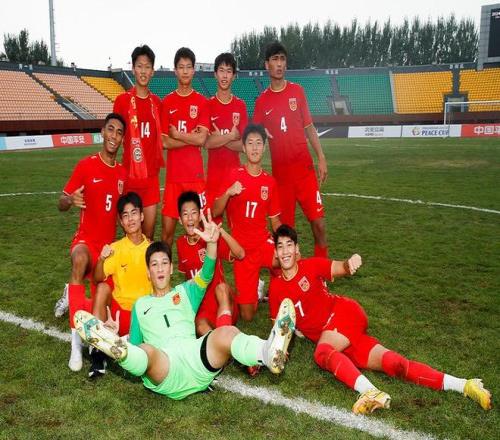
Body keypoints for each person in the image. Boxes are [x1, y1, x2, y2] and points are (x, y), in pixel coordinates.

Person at [269, 224, 492, 414]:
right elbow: (279, 328)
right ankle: (465, 385)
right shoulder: (276, 288)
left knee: (322, 352)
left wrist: (350, 263)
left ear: (297, 249)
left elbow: (340, 267)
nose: (285, 251)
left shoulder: (311, 266)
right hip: (340, 338)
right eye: (280, 246)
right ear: (276, 253)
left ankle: (369, 392)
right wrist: (279, 349)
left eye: (289, 245)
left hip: (343, 315)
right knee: (396, 365)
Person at [73, 212, 296, 400]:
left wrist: (211, 243)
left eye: (164, 263)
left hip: (198, 363)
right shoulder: (141, 306)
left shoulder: (186, 292)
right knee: (145, 351)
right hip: (166, 370)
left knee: (226, 332)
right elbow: (137, 344)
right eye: (154, 265)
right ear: (148, 272)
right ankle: (116, 347)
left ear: (171, 268)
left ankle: (268, 352)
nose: (160, 268)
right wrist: (119, 337)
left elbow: (207, 272)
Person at [57, 113, 127, 372]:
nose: (114, 136)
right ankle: (75, 342)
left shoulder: (122, 174)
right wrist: (69, 200)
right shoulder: (86, 165)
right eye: (111, 129)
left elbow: (122, 214)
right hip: (86, 240)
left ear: (122, 139)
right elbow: (61, 202)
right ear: (102, 132)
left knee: (106, 297)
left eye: (119, 132)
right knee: (79, 260)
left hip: (107, 247)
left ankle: (72, 296)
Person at [253, 42, 328, 258]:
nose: (279, 64)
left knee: (319, 225)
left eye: (282, 59)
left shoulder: (297, 91)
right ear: (267, 65)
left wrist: (321, 157)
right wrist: (261, 133)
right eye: (274, 59)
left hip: (304, 172)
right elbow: (252, 140)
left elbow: (309, 127)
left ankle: (320, 273)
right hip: (282, 179)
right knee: (285, 235)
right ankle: (287, 275)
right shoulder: (262, 101)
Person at [212, 124, 280, 322]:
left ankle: (280, 292)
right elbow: (216, 211)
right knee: (247, 316)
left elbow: (275, 221)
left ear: (264, 147)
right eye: (250, 143)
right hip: (241, 249)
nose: (254, 147)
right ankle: (257, 289)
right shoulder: (234, 175)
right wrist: (228, 192)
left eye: (259, 143)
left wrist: (287, 243)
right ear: (243, 147)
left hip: (263, 243)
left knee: (288, 259)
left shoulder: (270, 182)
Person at [89, 191, 151, 378]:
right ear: (121, 222)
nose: (130, 219)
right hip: (117, 315)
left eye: (134, 213)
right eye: (125, 215)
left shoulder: (152, 250)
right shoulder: (115, 249)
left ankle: (125, 342)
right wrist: (101, 258)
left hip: (141, 317)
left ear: (142, 216)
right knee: (102, 288)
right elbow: (97, 278)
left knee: (140, 361)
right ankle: (98, 353)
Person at [113, 45, 163, 240]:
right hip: (129, 178)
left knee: (148, 235)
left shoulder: (157, 103)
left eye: (147, 67)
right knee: (130, 234)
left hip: (151, 179)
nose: (143, 71)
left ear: (153, 71)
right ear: (133, 69)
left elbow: (164, 139)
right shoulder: (122, 101)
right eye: (139, 66)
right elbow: (114, 140)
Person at [160, 47, 209, 246]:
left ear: (194, 70)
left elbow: (202, 140)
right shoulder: (167, 102)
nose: (185, 71)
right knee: (167, 235)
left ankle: (206, 267)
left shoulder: (202, 102)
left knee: (205, 231)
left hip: (195, 177)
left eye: (189, 67)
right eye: (181, 67)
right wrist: (191, 137)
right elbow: (164, 142)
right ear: (175, 70)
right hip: (174, 178)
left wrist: (178, 135)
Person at [176, 191, 243, 336]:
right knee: (200, 326)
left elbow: (241, 254)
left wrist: (221, 231)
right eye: (185, 214)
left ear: (200, 215)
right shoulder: (180, 244)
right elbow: (187, 279)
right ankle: (220, 342)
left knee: (222, 288)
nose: (190, 218)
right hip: (203, 307)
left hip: (222, 300)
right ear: (180, 220)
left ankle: (224, 333)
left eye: (194, 213)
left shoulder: (211, 236)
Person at [204, 52, 248, 219]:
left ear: (234, 76)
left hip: (234, 175)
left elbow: (243, 146)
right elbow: (207, 143)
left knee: (238, 227)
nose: (224, 75)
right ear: (215, 74)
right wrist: (230, 136)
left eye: (229, 71)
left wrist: (219, 138)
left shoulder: (240, 105)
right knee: (213, 225)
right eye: (221, 70)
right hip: (214, 177)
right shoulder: (208, 105)